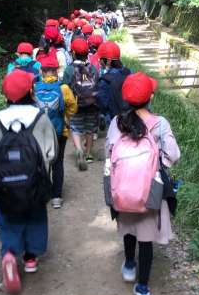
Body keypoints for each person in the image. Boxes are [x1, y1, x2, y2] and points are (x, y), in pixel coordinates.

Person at [106, 72, 180, 295]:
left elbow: (109, 152)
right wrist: (157, 166)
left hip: (124, 190)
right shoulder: (160, 123)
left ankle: (129, 265)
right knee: (146, 240)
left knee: (129, 228)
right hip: (149, 192)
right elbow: (173, 154)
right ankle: (143, 290)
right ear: (151, 97)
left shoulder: (117, 122)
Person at [0, 70, 57, 294]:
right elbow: (52, 152)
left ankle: (9, 254)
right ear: (31, 91)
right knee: (35, 216)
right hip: (35, 182)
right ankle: (30, 258)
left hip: (6, 185)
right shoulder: (40, 117)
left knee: (8, 218)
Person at [37, 52, 77, 208]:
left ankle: (44, 192)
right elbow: (73, 107)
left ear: (42, 71)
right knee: (58, 163)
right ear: (56, 70)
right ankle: (56, 197)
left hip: (40, 132)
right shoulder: (63, 88)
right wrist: (66, 116)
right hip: (60, 131)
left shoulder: (35, 87)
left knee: (42, 161)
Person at [63, 38, 99, 169]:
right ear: (87, 53)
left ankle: (79, 150)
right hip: (92, 105)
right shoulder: (93, 68)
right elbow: (97, 85)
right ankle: (88, 154)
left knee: (75, 128)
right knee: (90, 129)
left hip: (76, 104)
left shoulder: (69, 70)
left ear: (73, 53)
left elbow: (66, 87)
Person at [97, 41, 131, 121]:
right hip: (130, 117)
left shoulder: (104, 81)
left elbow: (103, 104)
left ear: (108, 61)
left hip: (114, 119)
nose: (99, 61)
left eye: (100, 59)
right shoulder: (129, 72)